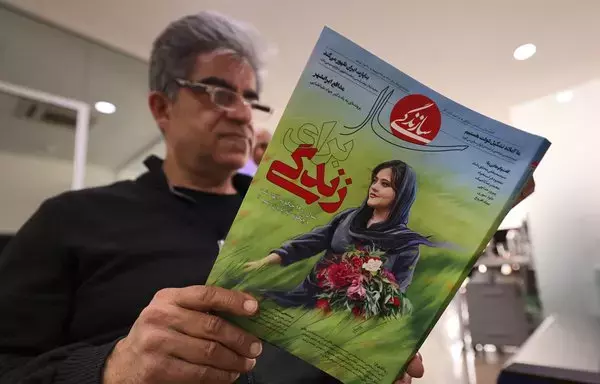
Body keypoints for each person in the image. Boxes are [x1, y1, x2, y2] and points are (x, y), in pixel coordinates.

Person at [0, 11, 429, 384]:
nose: (243, 113)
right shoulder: (69, 220)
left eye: (251, 101)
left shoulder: (299, 214)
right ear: (162, 108)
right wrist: (110, 368)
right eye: (220, 93)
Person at [245, 160, 437, 317]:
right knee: (252, 302)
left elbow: (395, 294)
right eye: (375, 180)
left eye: (385, 184)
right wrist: (264, 262)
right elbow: (312, 241)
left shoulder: (405, 244)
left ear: (401, 195)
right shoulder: (350, 218)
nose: (375, 187)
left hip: (342, 316)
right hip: (303, 297)